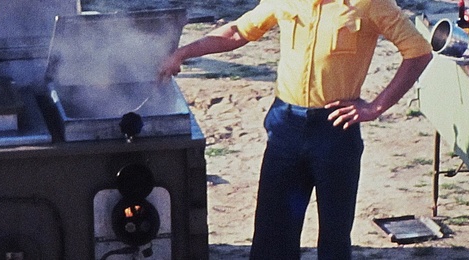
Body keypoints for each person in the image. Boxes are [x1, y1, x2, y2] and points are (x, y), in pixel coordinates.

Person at [158, 0, 432, 258]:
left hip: (335, 131)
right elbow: (237, 32)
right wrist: (183, 52)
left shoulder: (370, 3)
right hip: (285, 128)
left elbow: (418, 51)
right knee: (272, 233)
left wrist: (376, 107)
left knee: (334, 237)